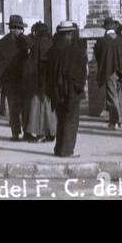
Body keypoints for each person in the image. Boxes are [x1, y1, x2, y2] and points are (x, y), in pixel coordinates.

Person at [44, 21, 87, 158]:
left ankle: (59, 148)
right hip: (71, 91)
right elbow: (80, 73)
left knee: (61, 119)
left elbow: (47, 71)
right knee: (71, 120)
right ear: (70, 33)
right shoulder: (76, 50)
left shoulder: (53, 50)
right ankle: (67, 150)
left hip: (56, 91)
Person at [0, 14, 30, 139]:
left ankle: (22, 133)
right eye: (19, 28)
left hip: (18, 80)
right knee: (17, 107)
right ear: (13, 29)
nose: (21, 31)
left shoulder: (18, 41)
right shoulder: (9, 42)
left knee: (21, 107)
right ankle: (18, 133)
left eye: (21, 29)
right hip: (14, 81)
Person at [22, 22, 56, 143]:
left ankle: (41, 133)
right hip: (50, 81)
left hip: (39, 80)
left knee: (39, 109)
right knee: (49, 107)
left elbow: (33, 65)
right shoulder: (52, 43)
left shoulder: (37, 45)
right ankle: (52, 132)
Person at [94, 17, 122, 129]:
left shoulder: (102, 41)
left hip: (109, 71)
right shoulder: (120, 40)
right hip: (121, 71)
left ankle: (115, 120)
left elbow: (97, 55)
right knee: (120, 96)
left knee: (111, 96)